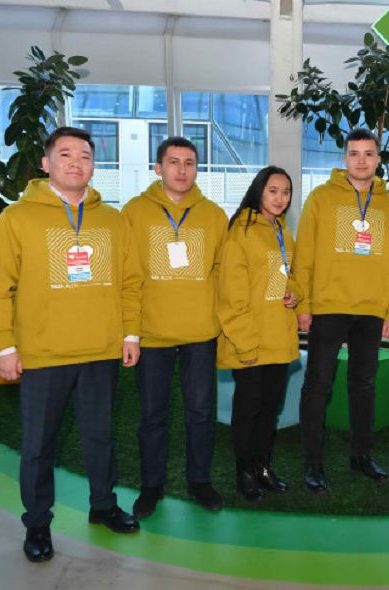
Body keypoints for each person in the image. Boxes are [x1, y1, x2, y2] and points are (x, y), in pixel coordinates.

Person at [0, 127, 142, 562]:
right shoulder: (17, 218)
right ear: (46, 163)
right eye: (66, 154)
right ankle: (37, 523)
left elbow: (131, 282)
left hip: (100, 351)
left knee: (100, 437)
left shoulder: (113, 220)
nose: (76, 163)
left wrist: (130, 334)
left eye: (85, 156)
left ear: (94, 165)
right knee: (39, 445)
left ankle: (103, 505)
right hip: (42, 354)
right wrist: (3, 346)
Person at [292, 128, 389, 494]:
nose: (361, 160)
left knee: (364, 386)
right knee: (318, 385)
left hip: (371, 310)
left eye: (369, 153)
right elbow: (304, 255)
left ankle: (361, 455)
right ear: (344, 159)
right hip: (328, 306)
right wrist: (304, 304)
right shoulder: (321, 198)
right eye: (354, 153)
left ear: (378, 159)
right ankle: (313, 463)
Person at [122, 136, 228, 518]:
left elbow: (223, 273)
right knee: (153, 414)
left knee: (200, 411)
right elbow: (128, 277)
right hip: (153, 334)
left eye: (189, 163)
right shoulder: (135, 212)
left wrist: (222, 324)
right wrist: (130, 332)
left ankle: (199, 481)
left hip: (201, 332)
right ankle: (152, 485)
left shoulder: (214, 215)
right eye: (173, 162)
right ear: (158, 168)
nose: (182, 170)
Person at [217, 166, 302, 501]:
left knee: (270, 409)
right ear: (258, 191)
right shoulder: (240, 232)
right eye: (273, 191)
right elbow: (231, 296)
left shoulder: (282, 230)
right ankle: (245, 472)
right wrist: (245, 343)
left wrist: (295, 293)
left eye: (286, 192)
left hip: (278, 336)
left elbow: (289, 275)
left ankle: (263, 467)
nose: (280, 198)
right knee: (248, 410)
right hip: (250, 340)